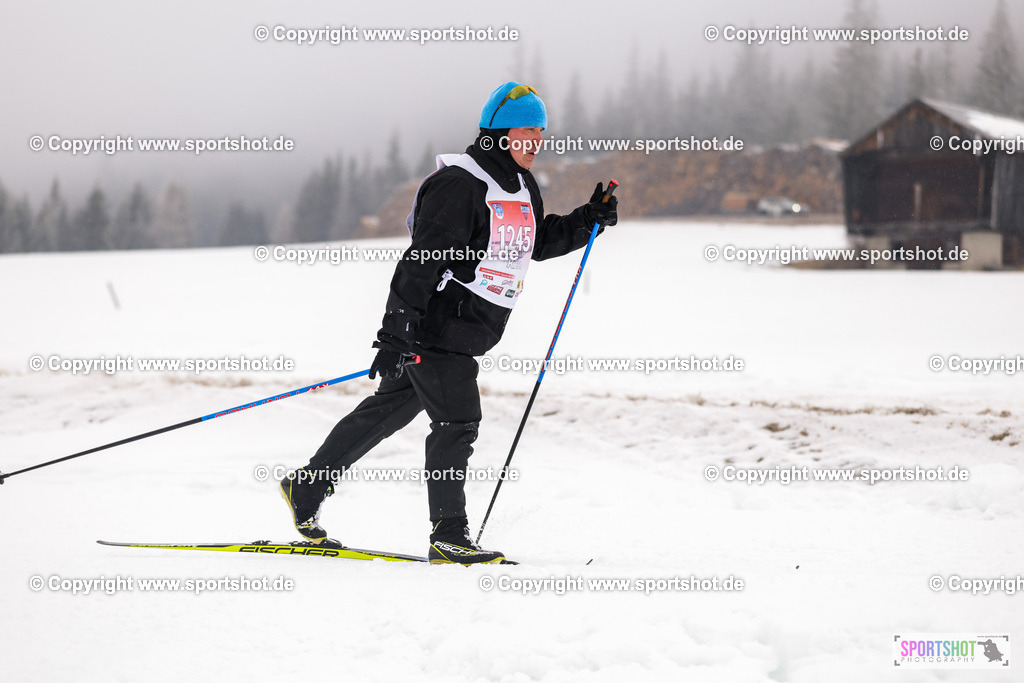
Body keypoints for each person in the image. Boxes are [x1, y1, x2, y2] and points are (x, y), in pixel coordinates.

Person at [280, 81, 618, 564]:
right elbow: (421, 261)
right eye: (527, 132)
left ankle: (307, 486)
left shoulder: (521, 185)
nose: (537, 143)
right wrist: (395, 333)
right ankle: (449, 533)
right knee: (457, 422)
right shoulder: (459, 184)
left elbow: (535, 242)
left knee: (387, 413)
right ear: (499, 134)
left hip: (471, 329)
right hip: (437, 328)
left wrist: (587, 219)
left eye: (541, 133)